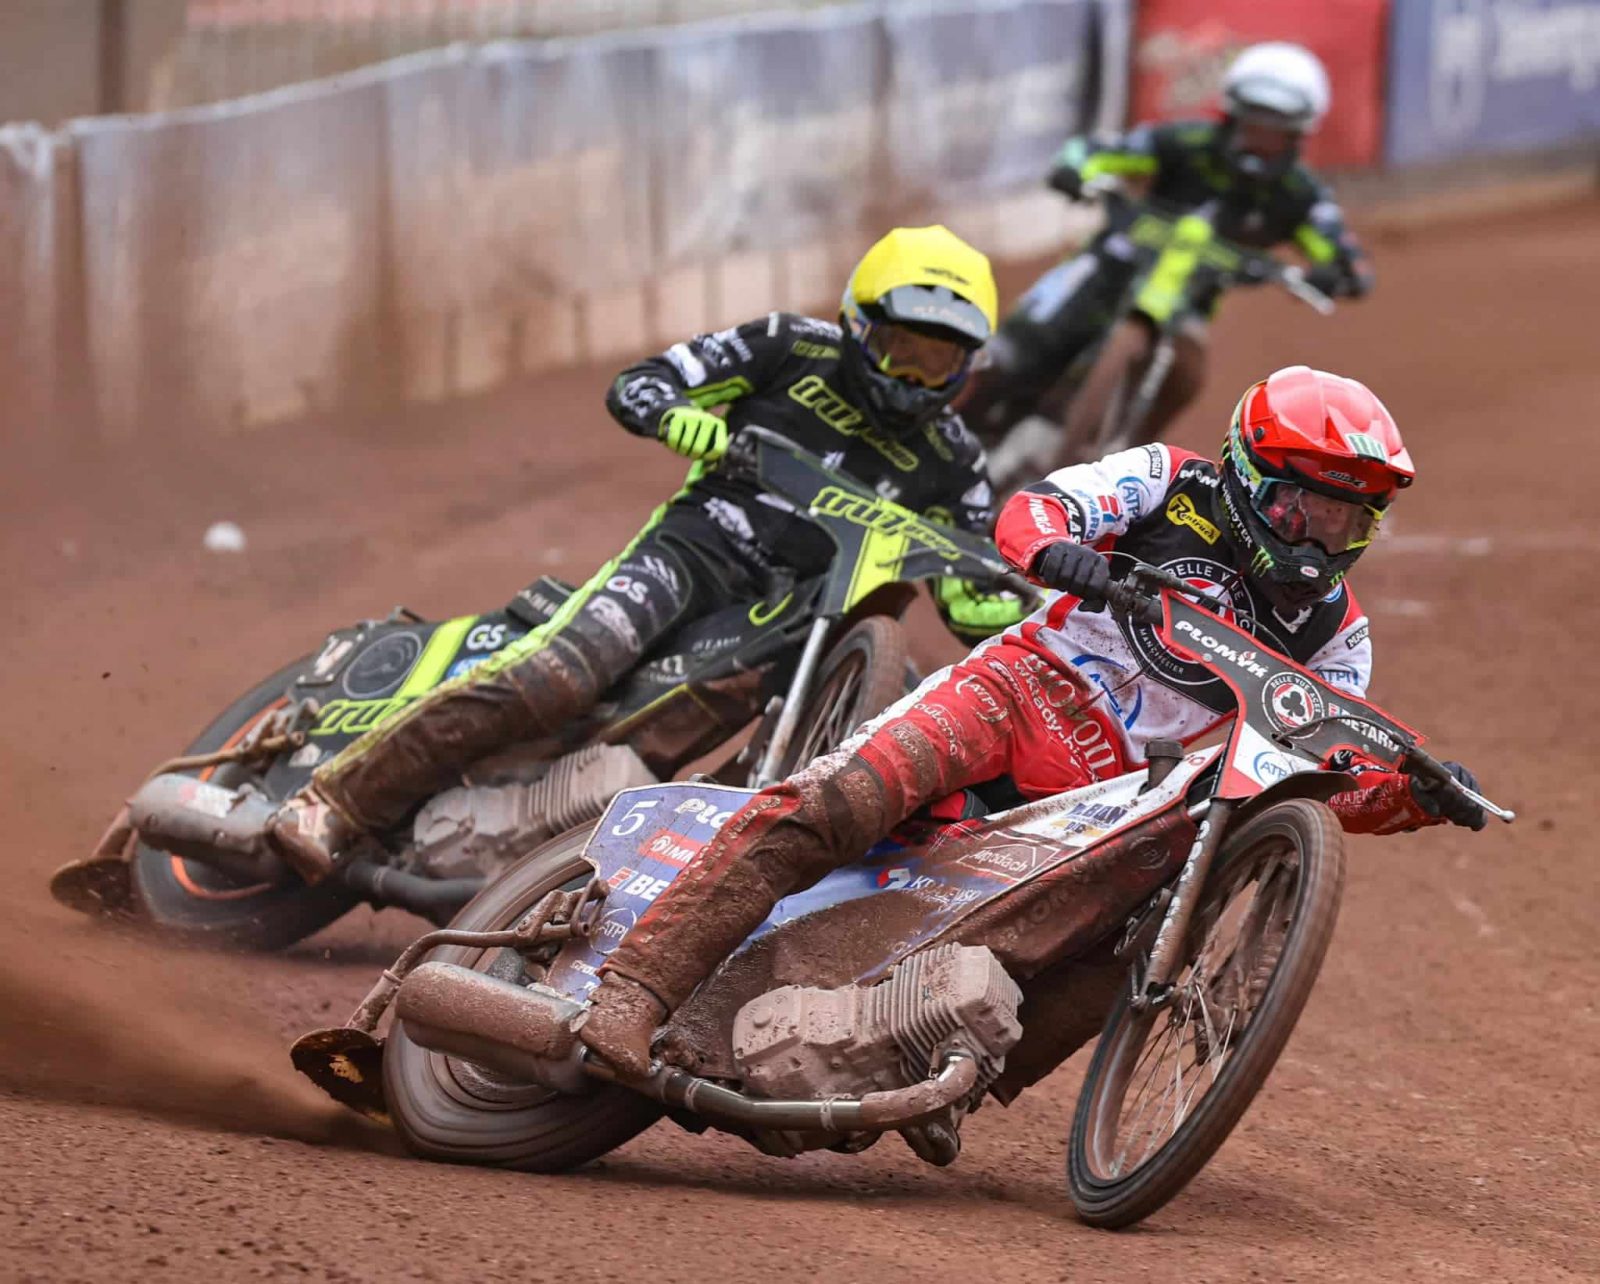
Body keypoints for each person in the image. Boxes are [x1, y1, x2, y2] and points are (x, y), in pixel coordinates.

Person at [578, 365, 1487, 1076]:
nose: (1320, 541)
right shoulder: (1168, 479)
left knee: (1127, 941)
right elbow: (1037, 509)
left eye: (1347, 522)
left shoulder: (1338, 632)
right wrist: (1063, 555)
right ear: (1250, 475)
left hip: (1116, 790)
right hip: (1017, 691)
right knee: (843, 800)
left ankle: (952, 1071)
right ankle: (636, 988)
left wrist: (1411, 794)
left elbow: (1326, 766)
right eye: (1306, 508)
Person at [267, 225, 1030, 879]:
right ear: (858, 326)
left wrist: (1005, 598)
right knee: (560, 674)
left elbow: (971, 588)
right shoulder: (788, 345)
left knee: (680, 750)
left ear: (970, 364)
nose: (912, 377)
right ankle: (335, 802)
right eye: (901, 349)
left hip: (791, 626)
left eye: (937, 361)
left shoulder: (955, 459)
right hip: (694, 554)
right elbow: (645, 382)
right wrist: (677, 417)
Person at [963, 42, 1373, 445]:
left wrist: (1334, 274)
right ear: (1231, 116)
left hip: (1187, 306)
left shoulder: (1299, 195)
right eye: (1254, 125)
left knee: (1189, 376)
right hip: (1108, 267)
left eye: (1275, 133)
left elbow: (1348, 258)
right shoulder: (1185, 142)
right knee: (1005, 356)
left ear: (1299, 135)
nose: (1261, 141)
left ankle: (1132, 456)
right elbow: (1097, 150)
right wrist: (1075, 168)